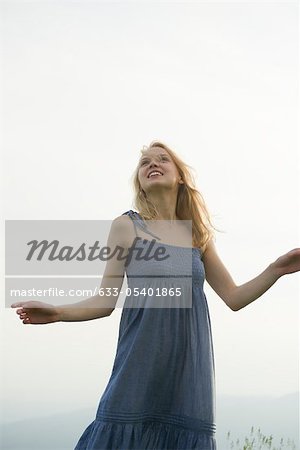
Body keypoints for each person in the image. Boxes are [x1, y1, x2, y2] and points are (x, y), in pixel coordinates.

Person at [11, 141, 300, 450]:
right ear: (140, 181)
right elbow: (105, 300)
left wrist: (276, 269)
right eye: (145, 162)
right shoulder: (127, 226)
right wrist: (57, 312)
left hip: (189, 372)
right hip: (139, 363)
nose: (152, 164)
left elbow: (234, 297)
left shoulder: (197, 235)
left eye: (163, 159)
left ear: (180, 177)